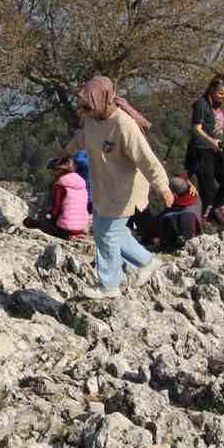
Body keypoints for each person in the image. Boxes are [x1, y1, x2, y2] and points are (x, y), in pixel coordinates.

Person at [60, 76, 174, 300]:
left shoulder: (124, 125)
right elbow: (82, 138)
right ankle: (148, 262)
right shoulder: (92, 119)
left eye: (88, 105)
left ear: (102, 99)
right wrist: (65, 152)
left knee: (108, 235)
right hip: (104, 187)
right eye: (83, 106)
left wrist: (163, 187)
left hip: (125, 190)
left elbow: (147, 159)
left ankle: (110, 284)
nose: (85, 110)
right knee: (109, 231)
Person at [186, 74, 224, 228]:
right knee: (208, 189)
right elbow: (196, 129)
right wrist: (211, 141)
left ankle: (216, 209)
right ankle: (202, 220)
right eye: (220, 93)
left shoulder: (215, 105)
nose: (223, 97)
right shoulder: (200, 104)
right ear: (211, 89)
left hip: (218, 149)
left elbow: (219, 120)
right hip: (202, 150)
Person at [25, 156, 90, 239]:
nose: (52, 173)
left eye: (53, 170)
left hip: (66, 229)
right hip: (81, 227)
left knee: (29, 222)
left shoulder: (59, 186)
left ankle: (65, 236)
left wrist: (42, 218)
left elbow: (54, 210)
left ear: (59, 170)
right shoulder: (81, 183)